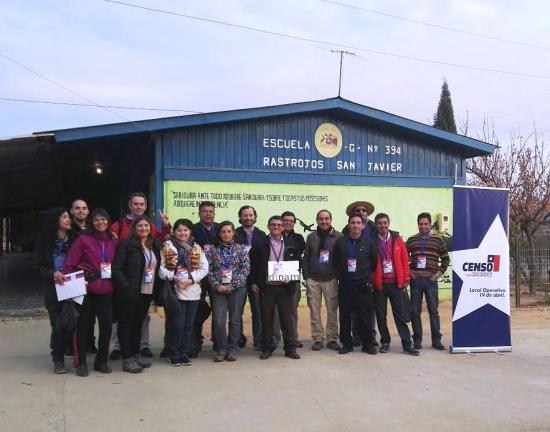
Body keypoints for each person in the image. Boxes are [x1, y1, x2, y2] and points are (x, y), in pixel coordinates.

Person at [110, 192, 170, 360]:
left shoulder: (152, 241)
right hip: (128, 288)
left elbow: (164, 241)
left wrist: (166, 227)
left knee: (139, 321)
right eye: (135, 203)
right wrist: (126, 286)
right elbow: (116, 265)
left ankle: (136, 351)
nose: (138, 206)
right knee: (124, 321)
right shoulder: (123, 234)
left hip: (146, 288)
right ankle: (121, 352)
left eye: (141, 204)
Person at [64, 208, 117, 377]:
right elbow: (70, 263)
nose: (100, 222)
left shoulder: (113, 241)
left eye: (103, 219)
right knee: (83, 327)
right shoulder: (83, 240)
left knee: (107, 326)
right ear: (91, 223)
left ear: (108, 222)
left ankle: (101, 361)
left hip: (106, 290)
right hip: (85, 290)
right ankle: (80, 362)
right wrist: (69, 287)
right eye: (96, 220)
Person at [112, 215, 163, 373]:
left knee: (137, 324)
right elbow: (116, 269)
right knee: (126, 324)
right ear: (134, 228)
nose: (143, 229)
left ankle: (135, 354)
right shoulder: (127, 244)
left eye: (146, 226)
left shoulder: (153, 244)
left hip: (146, 292)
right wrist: (126, 287)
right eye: (140, 226)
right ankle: (127, 358)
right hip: (129, 293)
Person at [34, 207, 79, 374]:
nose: (68, 219)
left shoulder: (75, 238)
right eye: (65, 217)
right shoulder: (45, 240)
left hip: (73, 286)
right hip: (54, 288)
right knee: (58, 325)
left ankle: (74, 354)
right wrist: (53, 273)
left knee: (73, 323)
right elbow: (39, 264)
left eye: (69, 217)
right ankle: (58, 359)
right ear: (56, 220)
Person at [250, 216, 301, 360]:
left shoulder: (291, 243)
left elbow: (297, 262)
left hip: (285, 287)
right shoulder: (260, 243)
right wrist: (253, 282)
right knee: (267, 319)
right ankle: (267, 348)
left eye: (279, 224)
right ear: (268, 226)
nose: (276, 227)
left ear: (283, 227)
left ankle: (290, 349)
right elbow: (253, 264)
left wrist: (291, 277)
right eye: (273, 224)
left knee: (287, 319)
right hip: (267, 287)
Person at [159, 219, 209, 366]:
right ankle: (173, 353)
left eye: (186, 230)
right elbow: (161, 269)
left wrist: (191, 279)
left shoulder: (197, 248)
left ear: (190, 232)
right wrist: (172, 277)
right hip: (175, 292)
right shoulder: (167, 247)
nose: (183, 233)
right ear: (174, 231)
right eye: (179, 230)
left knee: (188, 325)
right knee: (177, 325)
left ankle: (183, 353)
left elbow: (204, 268)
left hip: (192, 291)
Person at [372, 213, 419, 356]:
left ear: (389, 223)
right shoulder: (371, 240)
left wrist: (405, 278)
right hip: (379, 284)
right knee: (381, 315)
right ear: (376, 225)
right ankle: (385, 342)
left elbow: (405, 260)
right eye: (380, 223)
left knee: (400, 315)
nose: (383, 225)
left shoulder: (397, 239)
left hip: (396, 284)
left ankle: (407, 344)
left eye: (385, 222)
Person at [334, 214, 378, 355]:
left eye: (358, 223)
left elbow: (374, 262)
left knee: (364, 316)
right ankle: (347, 344)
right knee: (345, 316)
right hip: (346, 285)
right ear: (348, 225)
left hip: (363, 285)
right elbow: (335, 261)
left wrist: (364, 276)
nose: (355, 225)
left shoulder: (369, 243)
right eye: (352, 223)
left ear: (363, 225)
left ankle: (367, 344)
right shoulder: (341, 242)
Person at [207, 221, 250, 362]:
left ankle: (233, 348)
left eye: (229, 231)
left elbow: (245, 270)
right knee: (219, 320)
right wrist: (217, 285)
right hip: (218, 290)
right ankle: (221, 348)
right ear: (219, 234)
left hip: (237, 290)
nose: (226, 234)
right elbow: (209, 271)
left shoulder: (241, 249)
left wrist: (233, 285)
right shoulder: (212, 251)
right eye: (223, 232)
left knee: (235, 320)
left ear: (233, 233)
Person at [406, 212, 450, 350]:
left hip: (431, 281)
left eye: (426, 224)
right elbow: (404, 258)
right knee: (415, 311)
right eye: (420, 224)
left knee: (433, 311)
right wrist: (410, 272)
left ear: (430, 225)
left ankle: (436, 340)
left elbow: (445, 259)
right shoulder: (411, 240)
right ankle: (417, 340)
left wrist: (438, 274)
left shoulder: (438, 240)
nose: (423, 226)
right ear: (417, 225)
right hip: (416, 281)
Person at [234, 205, 275, 350]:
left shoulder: (262, 234)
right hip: (237, 279)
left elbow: (262, 261)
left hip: (256, 280)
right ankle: (237, 339)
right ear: (240, 217)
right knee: (236, 312)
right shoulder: (234, 234)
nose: (248, 218)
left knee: (257, 311)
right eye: (245, 215)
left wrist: (256, 281)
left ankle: (258, 339)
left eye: (250, 215)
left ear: (255, 217)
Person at [303, 210, 342, 351]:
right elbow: (306, 257)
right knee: (314, 310)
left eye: (326, 219)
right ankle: (318, 338)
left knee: (332, 310)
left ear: (331, 220)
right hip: (313, 279)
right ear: (317, 220)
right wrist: (306, 276)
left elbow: (341, 258)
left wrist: (337, 276)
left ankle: (332, 339)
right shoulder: (311, 237)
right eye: (321, 219)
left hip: (331, 279)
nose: (324, 221)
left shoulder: (338, 236)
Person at [343, 201, 378, 347]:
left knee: (367, 313)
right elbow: (338, 259)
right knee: (349, 313)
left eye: (363, 210)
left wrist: (367, 273)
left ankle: (369, 340)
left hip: (365, 279)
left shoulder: (374, 230)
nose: (361, 212)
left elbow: (374, 259)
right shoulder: (344, 235)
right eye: (358, 210)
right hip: (348, 280)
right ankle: (353, 338)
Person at [190, 201, 219, 357]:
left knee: (218, 309)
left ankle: (218, 341)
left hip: (217, 275)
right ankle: (195, 341)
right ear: (199, 213)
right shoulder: (193, 230)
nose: (208, 214)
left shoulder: (220, 228)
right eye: (205, 211)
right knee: (197, 309)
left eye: (211, 211)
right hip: (199, 275)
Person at [69, 198, 97, 355]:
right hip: (73, 276)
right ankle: (72, 347)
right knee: (74, 315)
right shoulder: (67, 228)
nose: (81, 210)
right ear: (71, 211)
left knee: (90, 313)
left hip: (90, 277)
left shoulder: (93, 229)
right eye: (77, 208)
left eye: (84, 208)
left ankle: (89, 343)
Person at [281, 211, 305, 347]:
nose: (288, 223)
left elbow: (300, 257)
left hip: (293, 279)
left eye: (291, 221)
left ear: (294, 223)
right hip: (276, 278)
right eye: (285, 220)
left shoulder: (299, 238)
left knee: (292, 310)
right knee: (276, 312)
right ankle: (275, 339)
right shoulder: (274, 237)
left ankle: (293, 338)